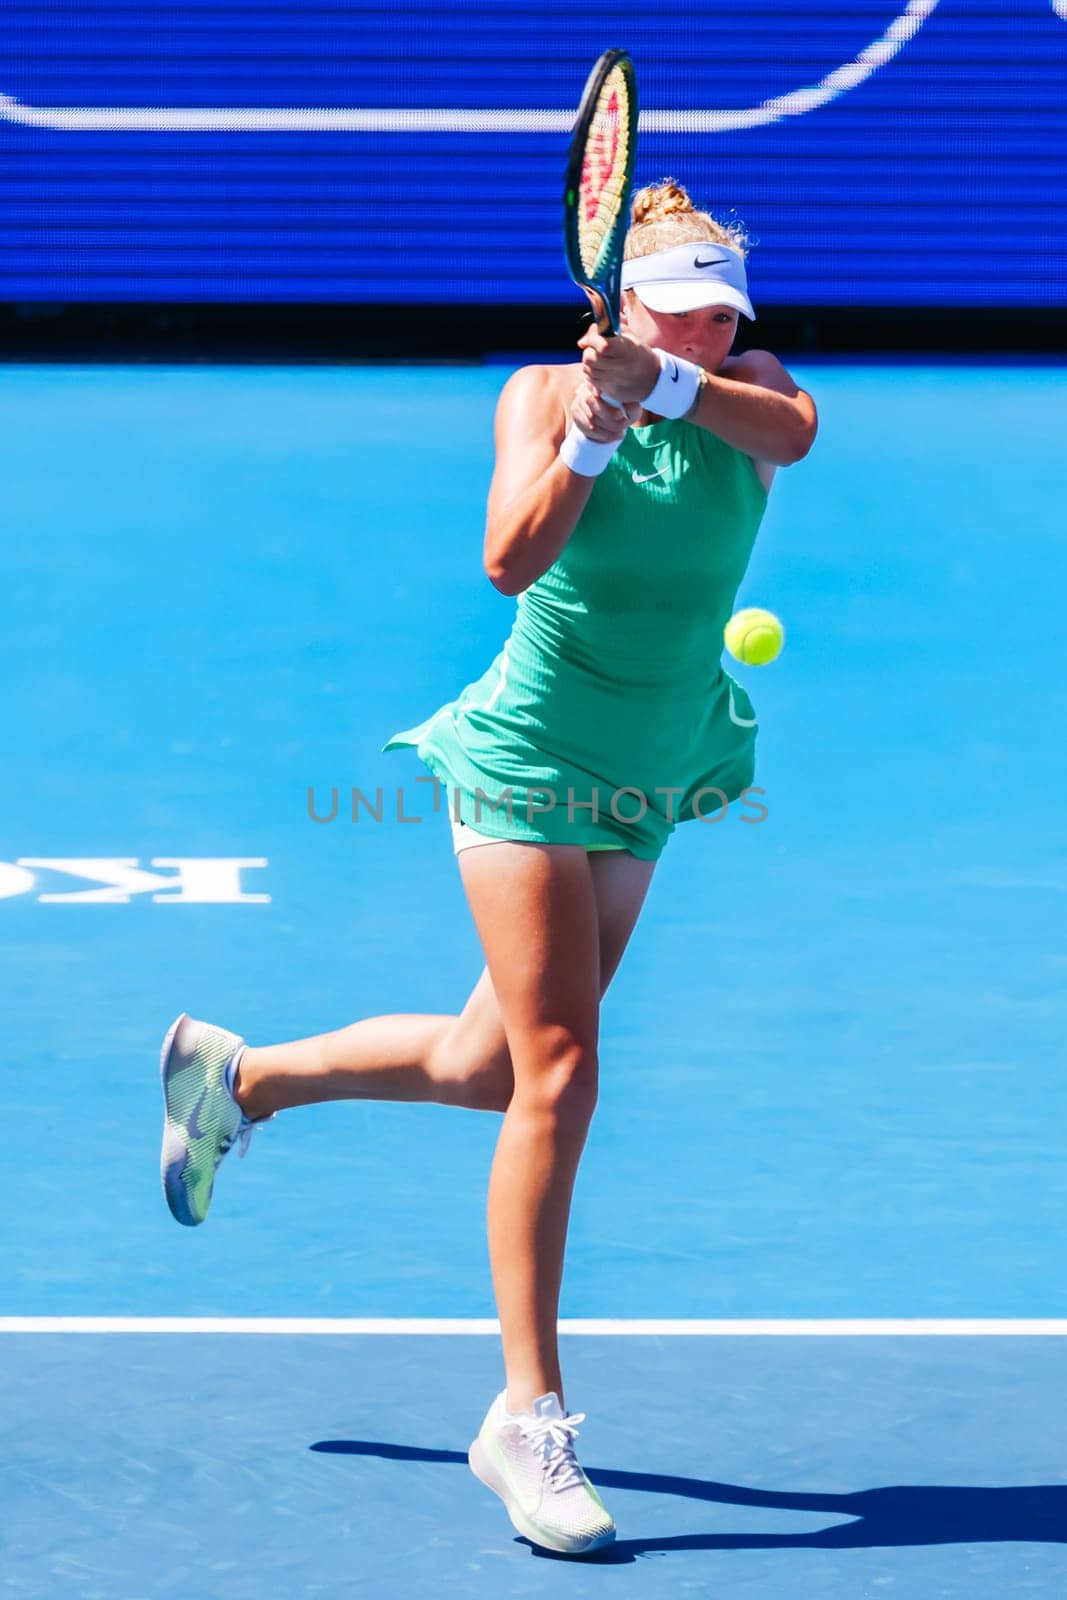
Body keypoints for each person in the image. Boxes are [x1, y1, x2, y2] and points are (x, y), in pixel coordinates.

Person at [158, 179, 817, 1557]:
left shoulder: (748, 384)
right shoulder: (536, 393)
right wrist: (591, 432)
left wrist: (672, 392)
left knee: (490, 1067)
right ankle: (527, 1416)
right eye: (680, 314)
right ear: (619, 302)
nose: (706, 334)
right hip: (532, 755)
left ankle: (239, 1080)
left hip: (657, 752)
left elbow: (792, 433)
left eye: (721, 315)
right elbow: (509, 561)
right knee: (563, 1068)